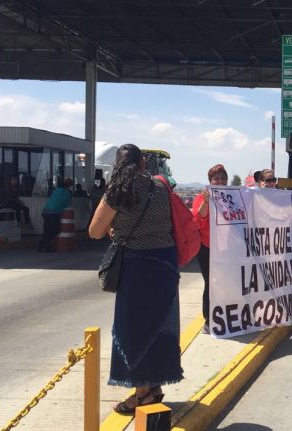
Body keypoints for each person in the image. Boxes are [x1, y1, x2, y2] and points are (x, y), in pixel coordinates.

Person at [88, 144, 183, 414]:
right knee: (160, 325)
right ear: (143, 163)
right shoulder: (162, 187)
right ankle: (155, 385)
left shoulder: (118, 190)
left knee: (133, 330)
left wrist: (115, 228)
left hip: (137, 266)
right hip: (165, 264)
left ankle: (142, 394)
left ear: (117, 165)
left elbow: (94, 231)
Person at [192, 164, 228, 332]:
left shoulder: (232, 197)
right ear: (210, 181)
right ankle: (209, 318)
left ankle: (225, 315)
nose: (220, 181)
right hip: (207, 247)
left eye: (223, 178)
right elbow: (199, 217)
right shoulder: (201, 197)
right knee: (211, 282)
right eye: (216, 179)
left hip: (227, 247)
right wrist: (206, 201)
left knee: (226, 281)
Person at [38, 178, 73, 252]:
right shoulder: (68, 193)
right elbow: (67, 205)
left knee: (47, 230)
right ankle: (43, 243)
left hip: (45, 211)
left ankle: (44, 245)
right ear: (70, 186)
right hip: (54, 212)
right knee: (55, 230)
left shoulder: (56, 190)